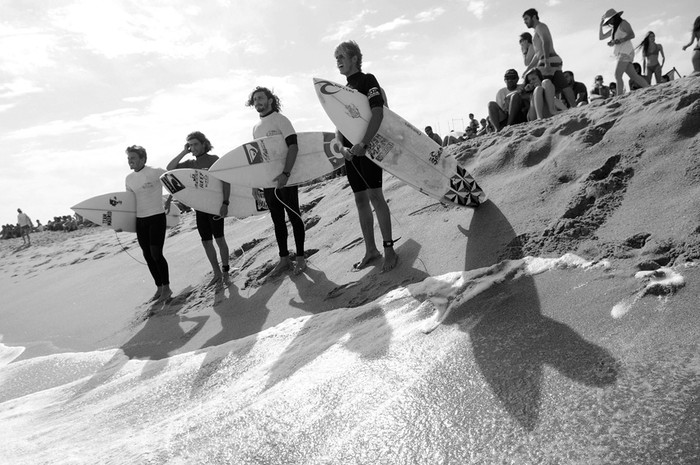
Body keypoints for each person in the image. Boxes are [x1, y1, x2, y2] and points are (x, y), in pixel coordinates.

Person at [334, 40, 398, 272]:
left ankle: (389, 248)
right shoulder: (341, 90)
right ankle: (371, 251)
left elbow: (378, 113)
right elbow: (338, 124)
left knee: (375, 196)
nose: (338, 61)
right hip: (351, 153)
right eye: (336, 58)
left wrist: (364, 143)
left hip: (368, 147)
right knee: (360, 200)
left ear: (354, 58)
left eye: (342, 56)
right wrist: (342, 148)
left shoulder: (367, 80)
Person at [246, 86, 306, 276]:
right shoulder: (256, 128)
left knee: (294, 216)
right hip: (269, 182)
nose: (257, 102)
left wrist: (286, 174)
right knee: (277, 221)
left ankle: (301, 258)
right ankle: (283, 259)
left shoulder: (281, 120)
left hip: (287, 179)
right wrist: (256, 182)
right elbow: (257, 158)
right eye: (254, 99)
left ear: (270, 100)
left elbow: (294, 147)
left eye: (261, 98)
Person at [166, 131, 231, 286]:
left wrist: (225, 203)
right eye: (190, 145)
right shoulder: (190, 164)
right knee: (206, 242)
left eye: (195, 144)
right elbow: (169, 168)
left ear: (204, 144)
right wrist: (184, 151)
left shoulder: (214, 160)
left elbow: (225, 182)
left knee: (220, 239)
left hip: (214, 206)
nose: (193, 147)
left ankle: (226, 271)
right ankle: (216, 273)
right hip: (200, 208)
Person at [124, 145, 172, 302]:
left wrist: (170, 201)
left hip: (157, 217)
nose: (130, 161)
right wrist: (122, 223)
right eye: (128, 158)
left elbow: (173, 183)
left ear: (143, 159)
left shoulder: (156, 171)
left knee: (156, 253)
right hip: (140, 220)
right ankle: (159, 287)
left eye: (133, 158)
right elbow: (129, 203)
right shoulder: (129, 179)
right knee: (147, 255)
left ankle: (167, 287)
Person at [522, 8, 575, 108]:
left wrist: (546, 61)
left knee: (540, 87)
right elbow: (538, 54)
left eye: (526, 19)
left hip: (548, 60)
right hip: (552, 60)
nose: (525, 22)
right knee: (563, 86)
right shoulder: (538, 30)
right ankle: (573, 107)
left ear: (534, 17)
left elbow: (546, 41)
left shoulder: (540, 26)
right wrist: (528, 69)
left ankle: (548, 111)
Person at [599, 8, 649, 95]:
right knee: (633, 76)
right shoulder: (614, 29)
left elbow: (632, 34)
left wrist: (620, 40)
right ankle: (649, 88)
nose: (608, 23)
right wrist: (601, 25)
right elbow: (601, 37)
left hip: (626, 51)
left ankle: (619, 96)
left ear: (614, 17)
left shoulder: (623, 23)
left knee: (617, 75)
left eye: (609, 20)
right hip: (622, 53)